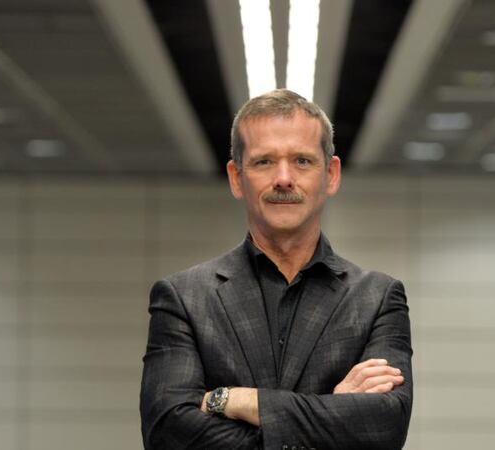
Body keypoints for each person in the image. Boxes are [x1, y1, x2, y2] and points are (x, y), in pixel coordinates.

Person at [140, 89, 413, 449]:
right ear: (236, 178)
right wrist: (333, 413)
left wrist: (236, 400)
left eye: (302, 161)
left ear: (331, 174)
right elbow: (166, 432)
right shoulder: (183, 298)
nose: (283, 178)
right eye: (264, 162)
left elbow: (384, 428)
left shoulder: (377, 298)